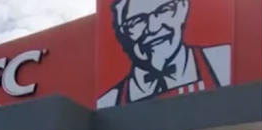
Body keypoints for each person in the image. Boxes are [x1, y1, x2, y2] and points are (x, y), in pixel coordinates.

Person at [97, 0, 231, 108]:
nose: (153, 28)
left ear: (183, 8)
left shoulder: (221, 62)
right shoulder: (108, 102)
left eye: (164, 10)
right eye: (137, 21)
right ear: (122, 34)